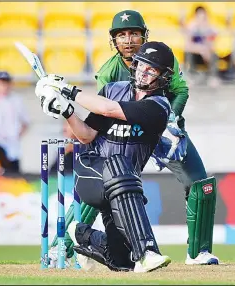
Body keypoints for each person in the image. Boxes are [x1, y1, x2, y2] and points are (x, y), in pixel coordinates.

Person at [49, 9, 219, 266]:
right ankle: (62, 245)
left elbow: (180, 91)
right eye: (122, 35)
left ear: (144, 35)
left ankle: (199, 252)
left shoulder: (161, 57)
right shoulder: (108, 73)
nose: (128, 40)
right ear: (114, 40)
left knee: (200, 181)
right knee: (108, 182)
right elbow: (102, 109)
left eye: (134, 34)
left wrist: (170, 119)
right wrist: (68, 109)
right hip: (124, 134)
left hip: (164, 130)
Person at [35, 41, 175, 272]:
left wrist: (67, 90)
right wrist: (66, 112)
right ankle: (147, 252)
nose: (144, 71)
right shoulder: (113, 89)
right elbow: (86, 135)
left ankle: (82, 235)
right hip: (91, 172)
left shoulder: (158, 107)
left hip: (122, 188)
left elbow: (109, 110)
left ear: (163, 76)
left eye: (152, 69)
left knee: (121, 262)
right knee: (118, 165)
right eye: (142, 65)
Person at [184, 6, 220, 87]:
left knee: (214, 54)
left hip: (207, 55)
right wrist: (201, 49)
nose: (201, 19)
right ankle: (191, 76)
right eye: (199, 16)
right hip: (196, 54)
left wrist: (206, 47)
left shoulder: (209, 27)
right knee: (188, 54)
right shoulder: (191, 27)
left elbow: (212, 44)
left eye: (203, 17)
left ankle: (213, 77)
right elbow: (188, 46)